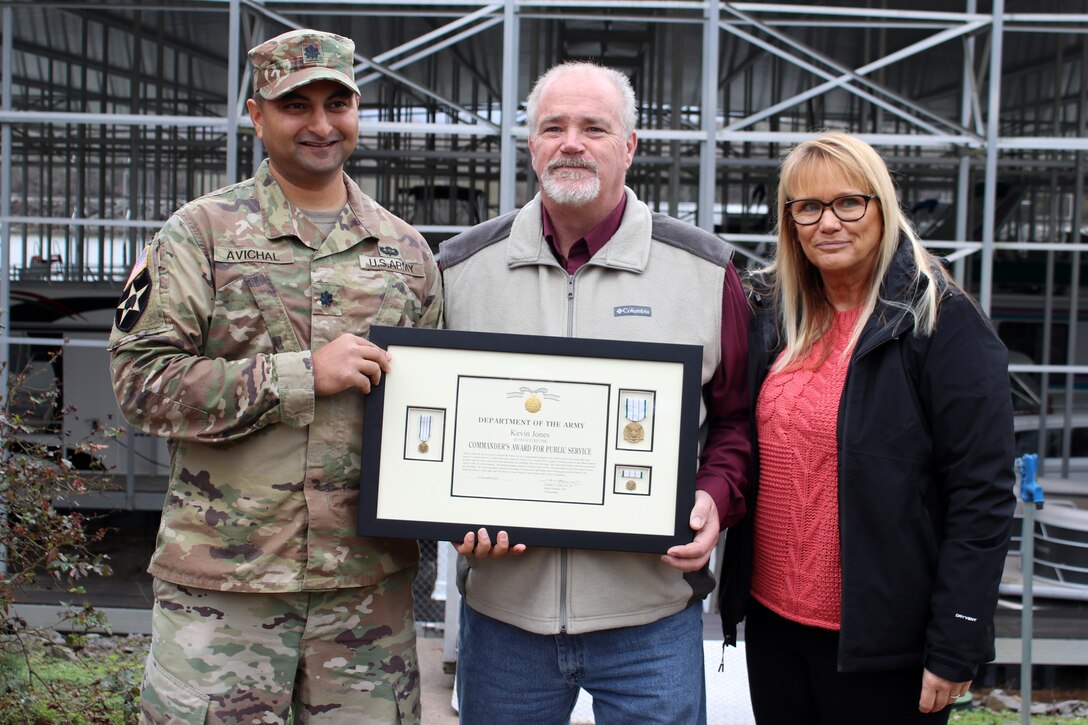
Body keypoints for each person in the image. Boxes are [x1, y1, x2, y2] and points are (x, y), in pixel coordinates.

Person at [108, 28, 441, 723]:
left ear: (357, 109)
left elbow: (434, 413)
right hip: (226, 592)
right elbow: (140, 382)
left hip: (364, 597)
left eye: (337, 102)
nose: (321, 124)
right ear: (257, 115)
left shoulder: (406, 252)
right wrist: (297, 375)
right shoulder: (199, 234)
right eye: (295, 105)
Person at [439, 61, 751, 724]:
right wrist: (447, 511)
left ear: (630, 146)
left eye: (593, 127)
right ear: (531, 144)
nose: (571, 142)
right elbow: (432, 424)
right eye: (553, 127)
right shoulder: (461, 270)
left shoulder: (704, 271)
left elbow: (736, 420)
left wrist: (714, 499)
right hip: (505, 618)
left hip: (650, 617)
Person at [717, 131, 1015, 724]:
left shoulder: (941, 322)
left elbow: (981, 495)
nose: (828, 222)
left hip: (883, 647)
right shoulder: (774, 315)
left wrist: (956, 641)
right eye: (807, 207)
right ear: (790, 221)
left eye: (849, 202)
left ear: (881, 205)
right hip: (774, 625)